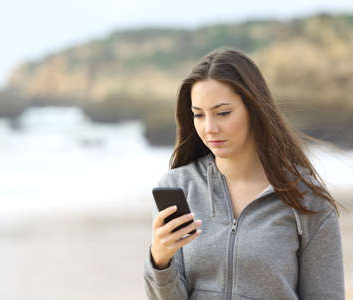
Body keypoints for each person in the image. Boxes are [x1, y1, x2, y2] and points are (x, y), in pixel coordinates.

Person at [143, 48, 345, 299]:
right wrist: (160, 261)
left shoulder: (306, 198)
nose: (209, 128)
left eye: (223, 113)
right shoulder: (180, 187)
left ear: (254, 109)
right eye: (198, 115)